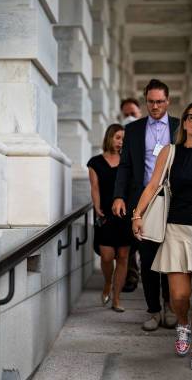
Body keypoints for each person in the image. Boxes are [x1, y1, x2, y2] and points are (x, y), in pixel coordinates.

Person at [131, 102, 192, 372]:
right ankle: (183, 324)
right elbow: (152, 185)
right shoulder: (170, 152)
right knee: (179, 294)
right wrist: (137, 214)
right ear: (184, 124)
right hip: (176, 226)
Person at [112, 79, 180, 331]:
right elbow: (126, 166)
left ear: (168, 101)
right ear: (145, 101)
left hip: (174, 203)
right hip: (143, 202)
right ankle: (153, 310)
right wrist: (119, 196)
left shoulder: (179, 127)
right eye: (150, 101)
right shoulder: (134, 130)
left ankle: (170, 305)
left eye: (160, 101)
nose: (155, 106)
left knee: (170, 258)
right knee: (149, 259)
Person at [87, 124, 131, 312]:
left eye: (123, 138)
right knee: (107, 256)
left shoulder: (128, 161)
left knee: (123, 256)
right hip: (105, 213)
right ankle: (107, 282)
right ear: (109, 138)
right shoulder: (95, 162)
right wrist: (96, 206)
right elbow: (95, 187)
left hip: (125, 214)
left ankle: (117, 298)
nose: (120, 141)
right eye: (117, 137)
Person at [118, 98, 143, 292]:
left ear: (140, 113)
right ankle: (131, 275)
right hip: (125, 198)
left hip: (146, 195)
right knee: (128, 241)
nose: (129, 117)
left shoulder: (146, 135)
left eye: (133, 113)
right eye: (126, 114)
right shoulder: (118, 137)